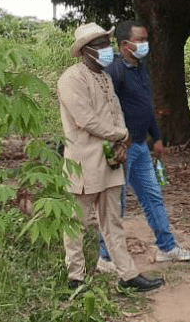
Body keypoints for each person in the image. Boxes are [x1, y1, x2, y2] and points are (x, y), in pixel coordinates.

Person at [57, 22, 163, 292]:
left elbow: (116, 113)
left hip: (110, 159)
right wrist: (120, 135)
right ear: (85, 51)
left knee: (112, 221)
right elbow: (86, 120)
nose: (107, 49)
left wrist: (121, 140)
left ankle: (127, 275)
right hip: (84, 162)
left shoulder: (104, 77)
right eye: (100, 45)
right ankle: (76, 277)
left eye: (107, 43)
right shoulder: (71, 79)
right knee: (76, 223)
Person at [96, 20, 190, 274]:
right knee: (114, 204)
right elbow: (106, 110)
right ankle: (106, 257)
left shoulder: (141, 68)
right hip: (121, 148)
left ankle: (167, 247)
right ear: (124, 45)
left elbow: (146, 105)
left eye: (145, 39)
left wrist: (157, 136)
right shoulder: (113, 71)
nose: (144, 45)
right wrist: (115, 143)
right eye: (140, 40)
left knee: (153, 198)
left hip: (140, 147)